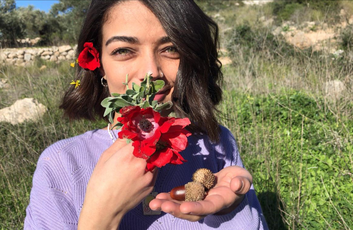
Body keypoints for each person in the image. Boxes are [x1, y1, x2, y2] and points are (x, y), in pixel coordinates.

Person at [24, 0, 268, 229]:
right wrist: (100, 216)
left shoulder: (217, 143)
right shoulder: (60, 165)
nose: (151, 72)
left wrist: (239, 209)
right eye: (123, 51)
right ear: (99, 64)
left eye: (171, 48)